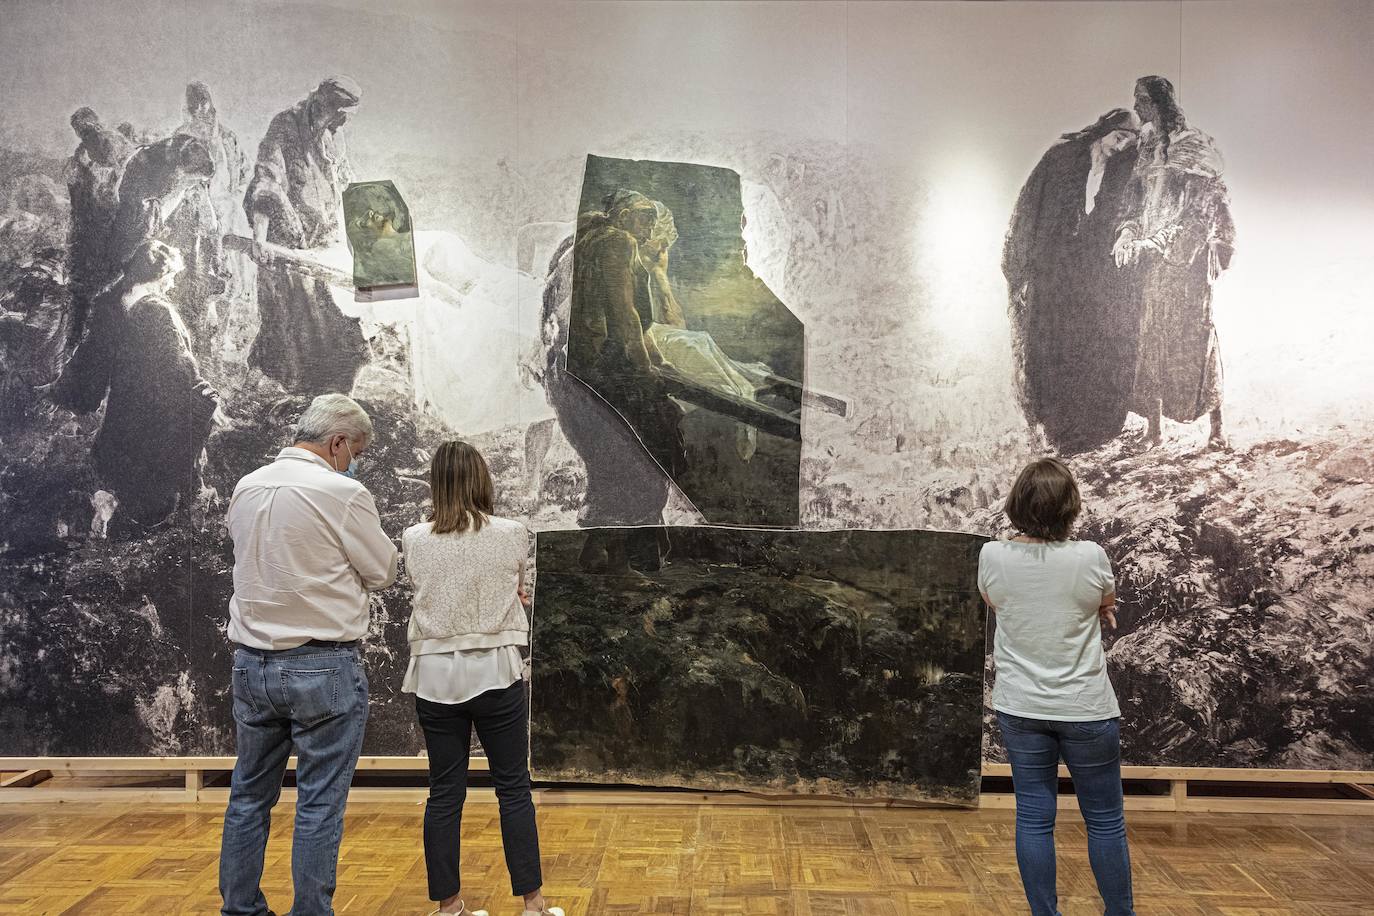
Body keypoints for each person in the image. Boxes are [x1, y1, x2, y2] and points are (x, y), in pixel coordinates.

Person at [219, 393, 398, 916]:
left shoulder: (246, 487)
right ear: (338, 442)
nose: (354, 459)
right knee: (318, 804)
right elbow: (383, 571)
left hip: (252, 663)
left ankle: (240, 908)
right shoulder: (343, 492)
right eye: (355, 449)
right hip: (323, 665)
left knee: (248, 796)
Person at [401, 440, 562, 916]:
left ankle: (449, 907)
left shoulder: (414, 537)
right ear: (482, 479)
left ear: (437, 483)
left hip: (434, 675)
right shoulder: (512, 532)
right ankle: (533, 904)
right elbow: (517, 589)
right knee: (513, 788)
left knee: (443, 794)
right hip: (495, 668)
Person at [979, 457, 1134, 916]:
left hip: (1022, 707)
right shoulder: (1090, 556)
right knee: (1105, 821)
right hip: (1086, 708)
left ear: (1016, 505)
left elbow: (996, 601)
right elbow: (1104, 600)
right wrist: (1099, 610)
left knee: (1033, 817)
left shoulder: (993, 555)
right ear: (1071, 507)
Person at [1004, 109, 1141, 453]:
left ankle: (1090, 430)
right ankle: (1056, 427)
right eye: (1119, 136)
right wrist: (1019, 265)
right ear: (1104, 130)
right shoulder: (1062, 156)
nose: (1122, 145)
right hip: (1052, 267)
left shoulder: (1121, 169)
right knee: (1052, 344)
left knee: (1089, 344)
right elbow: (1028, 207)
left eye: (1130, 140)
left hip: (1087, 272)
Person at [1113, 75, 1235, 449]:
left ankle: (1217, 429)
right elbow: (1134, 201)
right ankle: (1153, 430)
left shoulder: (1194, 147)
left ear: (1158, 103)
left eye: (1141, 100)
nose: (1136, 107)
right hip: (1151, 259)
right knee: (1150, 336)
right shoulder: (1147, 148)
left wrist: (1158, 242)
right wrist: (1128, 232)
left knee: (1195, 338)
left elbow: (1200, 212)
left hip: (1187, 260)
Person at [244, 76, 369, 393]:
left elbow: (343, 181)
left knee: (336, 322)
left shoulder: (331, 136)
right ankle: (292, 394)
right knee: (296, 329)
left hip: (325, 243)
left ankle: (328, 390)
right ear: (323, 105)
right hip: (289, 246)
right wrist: (260, 239)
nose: (340, 125)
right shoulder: (285, 126)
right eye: (338, 115)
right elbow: (267, 182)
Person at [89, 239, 220, 528]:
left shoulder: (121, 305)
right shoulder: (158, 310)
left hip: (134, 405)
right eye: (170, 277)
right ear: (158, 277)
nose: (172, 284)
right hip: (157, 406)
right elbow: (179, 363)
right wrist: (200, 393)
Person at [64, 106, 134, 297]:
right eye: (77, 130)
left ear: (92, 124)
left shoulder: (106, 139)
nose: (80, 133)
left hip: (114, 198)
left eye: (82, 128)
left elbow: (120, 167)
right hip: (101, 201)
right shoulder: (84, 149)